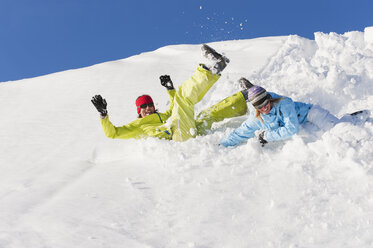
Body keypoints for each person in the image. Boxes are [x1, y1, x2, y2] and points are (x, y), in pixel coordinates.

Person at [91, 44, 249, 142]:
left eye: (150, 105)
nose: (147, 108)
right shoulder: (138, 126)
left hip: (188, 130)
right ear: (138, 111)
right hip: (176, 137)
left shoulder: (164, 116)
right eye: (143, 106)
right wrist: (103, 115)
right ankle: (212, 68)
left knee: (207, 114)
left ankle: (245, 96)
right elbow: (113, 133)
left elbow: (174, 108)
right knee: (182, 98)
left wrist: (170, 89)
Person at [220, 78, 370, 147]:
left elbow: (291, 129)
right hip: (302, 122)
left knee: (336, 130)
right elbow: (242, 132)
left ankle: (354, 120)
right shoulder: (256, 118)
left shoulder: (284, 103)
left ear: (269, 99)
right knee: (336, 129)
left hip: (311, 113)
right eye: (260, 106)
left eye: (265, 103)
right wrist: (223, 144)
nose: (264, 107)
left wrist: (266, 136)